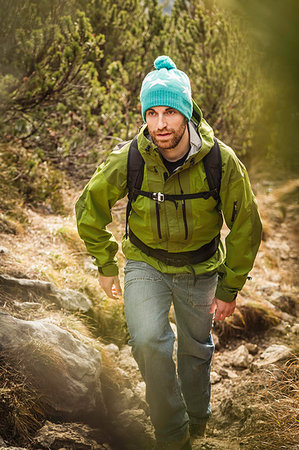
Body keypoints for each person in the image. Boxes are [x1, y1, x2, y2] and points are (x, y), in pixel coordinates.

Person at [76, 55, 262, 450]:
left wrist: (230, 286)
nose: (160, 124)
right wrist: (106, 262)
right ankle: (172, 431)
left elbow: (246, 225)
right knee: (147, 341)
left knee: (195, 354)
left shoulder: (221, 161)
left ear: (187, 113)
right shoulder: (130, 157)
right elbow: (89, 206)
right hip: (146, 263)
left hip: (201, 268)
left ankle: (198, 419)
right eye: (152, 113)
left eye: (170, 113)